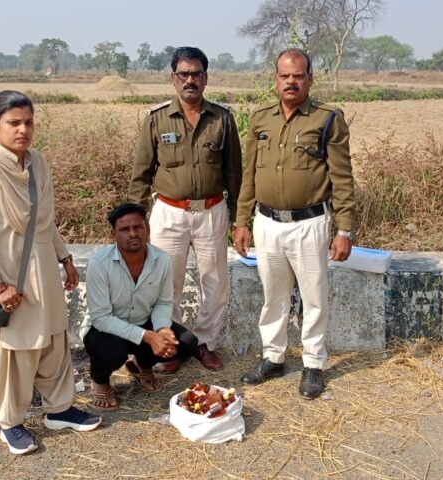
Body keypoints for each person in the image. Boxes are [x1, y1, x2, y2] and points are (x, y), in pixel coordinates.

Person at [0, 91, 101, 455]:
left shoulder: (38, 162)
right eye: (14, 123)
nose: (23, 130)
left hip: (44, 271)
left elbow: (44, 220)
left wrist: (65, 258)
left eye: (28, 122)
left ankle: (59, 409)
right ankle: (10, 422)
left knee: (53, 340)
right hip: (9, 279)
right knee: (16, 351)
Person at [233, 49, 356, 400]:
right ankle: (273, 357)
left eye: (298, 76)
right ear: (276, 80)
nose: (291, 82)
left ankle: (313, 364)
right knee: (273, 297)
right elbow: (249, 175)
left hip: (309, 223)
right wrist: (242, 221)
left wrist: (344, 229)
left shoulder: (327, 119)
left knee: (314, 298)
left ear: (310, 79)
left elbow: (342, 178)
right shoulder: (261, 119)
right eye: (285, 76)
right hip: (267, 223)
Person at [129, 46, 242, 373]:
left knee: (215, 284)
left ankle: (205, 343)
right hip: (169, 213)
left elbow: (235, 174)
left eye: (196, 74)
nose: (189, 80)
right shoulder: (157, 118)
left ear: (206, 78)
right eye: (183, 74)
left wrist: (240, 220)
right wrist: (133, 221)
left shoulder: (222, 118)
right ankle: (172, 348)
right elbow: (141, 173)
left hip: (212, 212)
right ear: (173, 78)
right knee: (167, 286)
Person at [82, 203, 199, 410]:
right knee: (111, 352)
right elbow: (101, 318)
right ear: (113, 234)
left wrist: (162, 329)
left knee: (187, 342)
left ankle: (141, 366)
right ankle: (100, 380)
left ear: (147, 229)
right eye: (124, 229)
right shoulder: (99, 263)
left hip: (144, 322)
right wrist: (148, 336)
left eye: (138, 227)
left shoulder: (162, 259)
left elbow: (163, 302)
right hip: (106, 330)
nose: (133, 234)